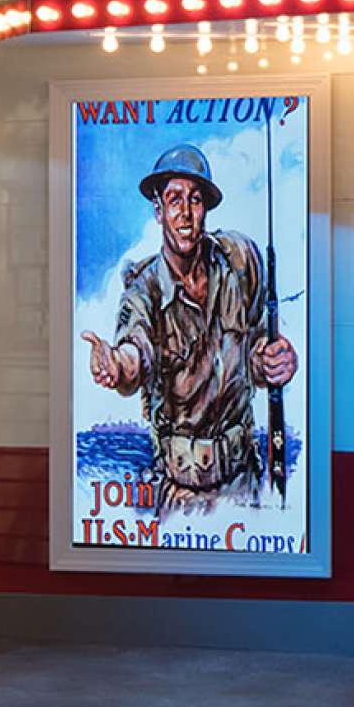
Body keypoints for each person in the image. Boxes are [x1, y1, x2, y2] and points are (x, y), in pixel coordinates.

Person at [81, 143, 296, 511]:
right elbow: (135, 354)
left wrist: (274, 361)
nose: (185, 213)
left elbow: (255, 351)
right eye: (174, 199)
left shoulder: (239, 265)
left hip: (245, 481)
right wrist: (115, 366)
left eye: (195, 200)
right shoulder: (144, 290)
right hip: (181, 491)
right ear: (158, 209)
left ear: (206, 209)